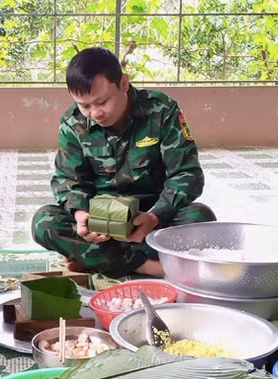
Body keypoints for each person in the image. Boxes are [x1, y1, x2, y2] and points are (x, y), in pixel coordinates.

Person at [31, 47, 216, 278]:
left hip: (151, 217)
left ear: (124, 83)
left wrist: (154, 216)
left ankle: (94, 257)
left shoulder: (161, 110)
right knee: (43, 222)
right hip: (99, 222)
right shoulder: (73, 122)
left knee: (201, 218)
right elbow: (68, 180)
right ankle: (145, 265)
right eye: (85, 105)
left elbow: (187, 175)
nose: (95, 113)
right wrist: (81, 215)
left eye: (102, 101)